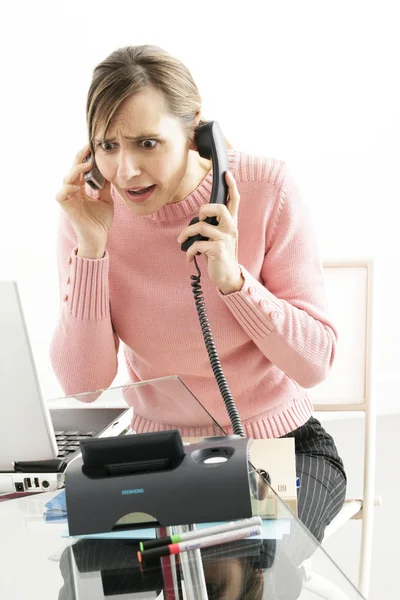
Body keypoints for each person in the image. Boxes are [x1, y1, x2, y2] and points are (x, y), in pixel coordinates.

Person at [50, 45, 346, 563]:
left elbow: (315, 363)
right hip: (157, 458)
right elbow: (84, 382)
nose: (126, 171)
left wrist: (234, 279)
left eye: (147, 143)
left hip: (280, 444)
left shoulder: (265, 187)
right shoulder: (89, 213)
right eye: (108, 145)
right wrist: (93, 249)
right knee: (93, 571)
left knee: (253, 563)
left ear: (195, 131)